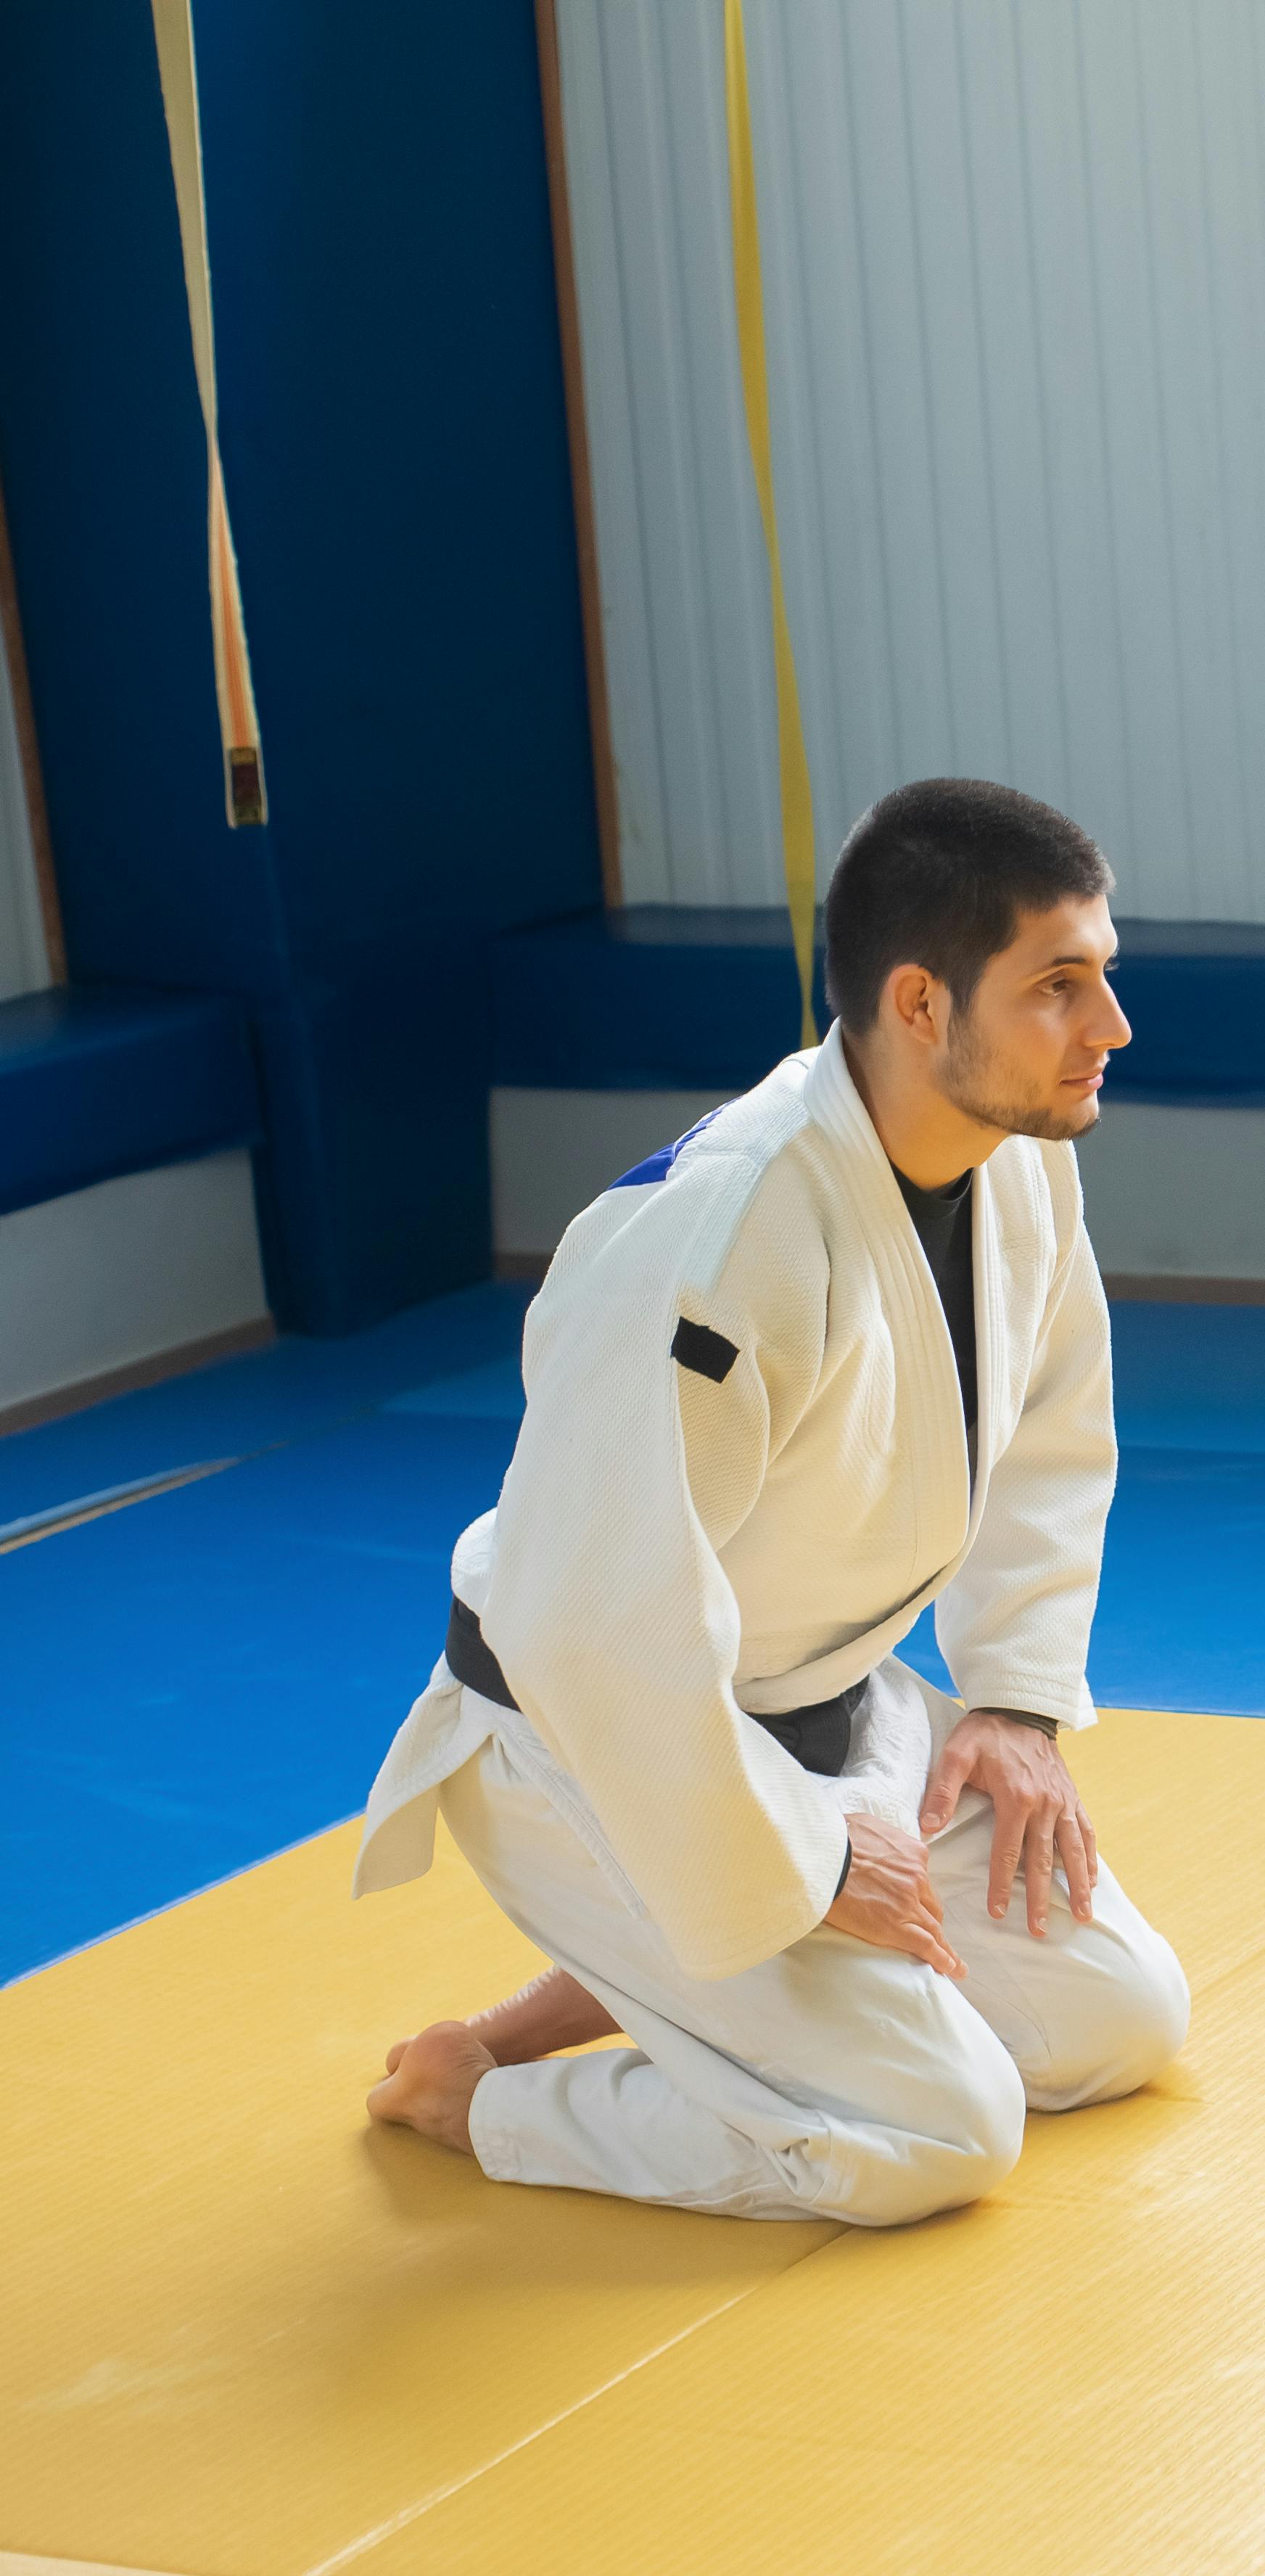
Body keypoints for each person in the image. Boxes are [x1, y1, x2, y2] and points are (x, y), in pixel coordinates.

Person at [355, 778, 1188, 2224]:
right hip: (593, 1752)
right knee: (946, 2132)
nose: (1108, 1028)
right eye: (1061, 986)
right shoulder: (723, 1243)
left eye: (1103, 978)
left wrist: (1011, 1702)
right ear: (922, 1004)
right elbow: (591, 1622)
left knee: (1115, 2020)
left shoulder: (1015, 1172)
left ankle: (657, 1979)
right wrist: (799, 1864)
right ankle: (484, 2098)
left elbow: (1049, 1429)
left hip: (836, 1709)